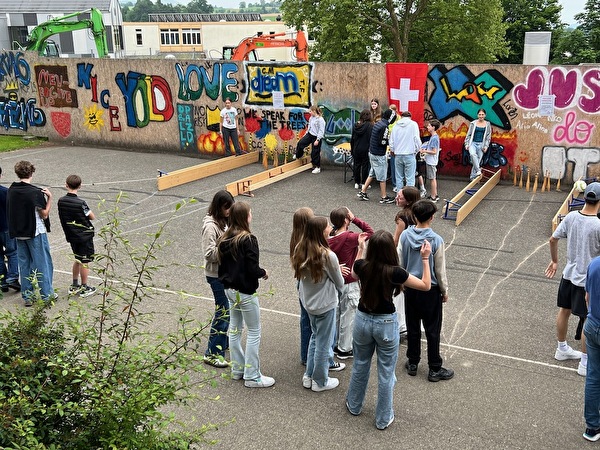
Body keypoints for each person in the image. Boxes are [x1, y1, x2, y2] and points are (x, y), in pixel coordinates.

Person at [346, 230, 431, 430]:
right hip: (386, 323)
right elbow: (425, 285)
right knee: (385, 372)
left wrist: (360, 250)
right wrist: (425, 259)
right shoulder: (395, 272)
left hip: (362, 319)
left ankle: (354, 405)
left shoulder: (362, 266)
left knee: (360, 363)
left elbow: (352, 273)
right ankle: (383, 418)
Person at [545, 182, 600, 376]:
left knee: (564, 310)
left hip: (568, 274)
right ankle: (585, 362)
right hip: (587, 280)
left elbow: (553, 239)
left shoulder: (571, 217)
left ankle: (562, 348)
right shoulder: (598, 225)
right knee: (588, 318)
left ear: (585, 197)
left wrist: (554, 261)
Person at [218, 202, 273, 388]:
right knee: (254, 331)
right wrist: (263, 272)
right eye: (250, 213)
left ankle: (238, 369)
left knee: (234, 329)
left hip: (229, 290)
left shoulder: (224, 239)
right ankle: (252, 375)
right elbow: (252, 268)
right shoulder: (248, 239)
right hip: (245, 291)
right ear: (245, 217)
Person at [292, 216, 349, 392]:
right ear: (321, 231)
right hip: (325, 304)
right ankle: (320, 380)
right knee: (324, 343)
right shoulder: (327, 255)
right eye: (327, 226)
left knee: (315, 338)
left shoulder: (300, 249)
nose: (330, 228)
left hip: (308, 301)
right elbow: (339, 281)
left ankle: (309, 375)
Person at [401, 200, 453, 382]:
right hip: (430, 289)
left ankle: (413, 361)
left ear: (414, 216)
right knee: (432, 329)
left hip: (411, 286)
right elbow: (440, 269)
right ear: (432, 217)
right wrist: (444, 290)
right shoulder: (436, 240)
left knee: (412, 326)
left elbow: (401, 261)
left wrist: (402, 283)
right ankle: (434, 367)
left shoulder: (405, 236)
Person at [7, 160, 54, 306]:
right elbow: (44, 214)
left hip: (19, 232)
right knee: (43, 264)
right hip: (35, 232)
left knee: (25, 265)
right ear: (31, 172)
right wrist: (50, 198)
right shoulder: (34, 192)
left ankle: (28, 296)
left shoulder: (12, 190)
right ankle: (46, 295)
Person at [328, 207, 374, 359]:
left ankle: (334, 344)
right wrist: (356, 219)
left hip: (336, 279)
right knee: (349, 314)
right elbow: (370, 232)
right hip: (350, 280)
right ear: (346, 220)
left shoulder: (330, 235)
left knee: (337, 314)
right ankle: (345, 348)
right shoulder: (350, 237)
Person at [201, 190, 235, 368]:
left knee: (226, 311)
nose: (229, 211)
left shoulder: (223, 222)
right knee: (223, 312)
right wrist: (227, 247)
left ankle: (222, 341)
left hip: (224, 273)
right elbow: (209, 254)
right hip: (215, 275)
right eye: (226, 208)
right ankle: (213, 353)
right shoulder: (210, 226)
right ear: (219, 207)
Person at [57, 174, 97, 298]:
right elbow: (92, 216)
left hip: (72, 235)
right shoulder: (81, 203)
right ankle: (84, 287)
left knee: (77, 259)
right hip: (84, 236)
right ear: (80, 186)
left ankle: (74, 284)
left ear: (66, 185)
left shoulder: (61, 201)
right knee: (85, 261)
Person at [392, 186, 420, 336]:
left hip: (402, 255)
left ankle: (401, 324)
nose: (397, 198)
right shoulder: (418, 213)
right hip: (415, 254)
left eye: (400, 197)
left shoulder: (401, 216)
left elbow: (396, 240)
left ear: (408, 201)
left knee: (399, 288)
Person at [358, 109, 396, 204]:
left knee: (372, 173)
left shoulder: (378, 123)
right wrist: (390, 142)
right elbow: (382, 142)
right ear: (390, 118)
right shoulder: (384, 127)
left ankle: (363, 192)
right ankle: (384, 197)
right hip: (379, 154)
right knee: (382, 176)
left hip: (372, 152)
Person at [584, 255, 600, 441]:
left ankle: (592, 427)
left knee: (593, 377)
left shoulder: (595, 263)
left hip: (593, 324)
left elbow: (587, 296)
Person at [389, 111, 421, 190]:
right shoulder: (413, 124)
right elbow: (417, 140)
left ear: (402, 116)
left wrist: (393, 150)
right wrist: (416, 151)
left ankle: (399, 197)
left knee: (399, 178)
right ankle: (409, 198)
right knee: (410, 178)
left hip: (398, 154)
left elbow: (391, 141)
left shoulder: (396, 125)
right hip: (410, 154)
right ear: (410, 117)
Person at [0, 166, 20, 293]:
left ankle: (2, 280)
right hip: (6, 227)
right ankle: (12, 277)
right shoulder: (5, 192)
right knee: (12, 252)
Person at [294, 105, 325, 174]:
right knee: (300, 143)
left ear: (314, 111)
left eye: (310, 111)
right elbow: (309, 127)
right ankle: (298, 155)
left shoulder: (320, 120)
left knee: (315, 152)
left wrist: (318, 139)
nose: (309, 112)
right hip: (310, 135)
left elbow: (321, 130)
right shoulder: (311, 118)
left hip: (316, 137)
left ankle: (317, 167)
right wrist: (305, 135)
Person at [464, 108, 491, 180]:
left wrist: (486, 146)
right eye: (479, 114)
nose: (481, 116)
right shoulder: (473, 123)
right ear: (477, 115)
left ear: (485, 115)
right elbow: (468, 134)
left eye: (482, 114)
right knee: (473, 155)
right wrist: (466, 144)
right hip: (472, 143)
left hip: (481, 144)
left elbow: (488, 137)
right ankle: (478, 170)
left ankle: (472, 177)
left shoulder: (487, 124)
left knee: (477, 161)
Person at [350, 109, 373, 190]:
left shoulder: (356, 125)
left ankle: (356, 182)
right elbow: (371, 138)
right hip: (366, 149)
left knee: (356, 165)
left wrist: (352, 149)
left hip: (356, 148)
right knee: (365, 166)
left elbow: (352, 138)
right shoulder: (370, 125)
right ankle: (364, 183)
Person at [421, 119, 442, 202]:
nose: (427, 127)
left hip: (431, 161)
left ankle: (433, 197)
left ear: (433, 127)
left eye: (429, 125)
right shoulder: (435, 137)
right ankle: (435, 194)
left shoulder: (434, 138)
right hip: (431, 161)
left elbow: (434, 151)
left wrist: (424, 151)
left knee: (432, 179)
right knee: (432, 178)